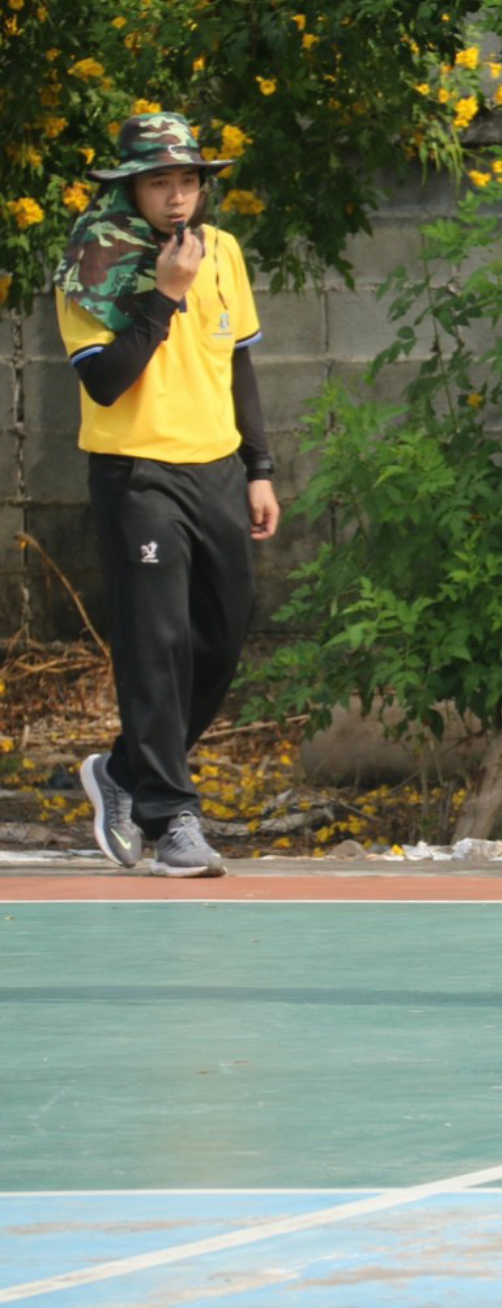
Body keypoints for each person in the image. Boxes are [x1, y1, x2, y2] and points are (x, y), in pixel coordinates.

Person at [55, 113, 279, 879]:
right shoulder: (94, 261)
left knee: (220, 638)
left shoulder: (223, 251)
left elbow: (238, 365)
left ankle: (123, 771)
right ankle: (172, 816)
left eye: (188, 181)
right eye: (161, 182)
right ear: (131, 189)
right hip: (136, 473)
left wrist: (261, 467)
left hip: (216, 469)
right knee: (157, 646)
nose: (178, 197)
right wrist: (164, 295)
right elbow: (104, 379)